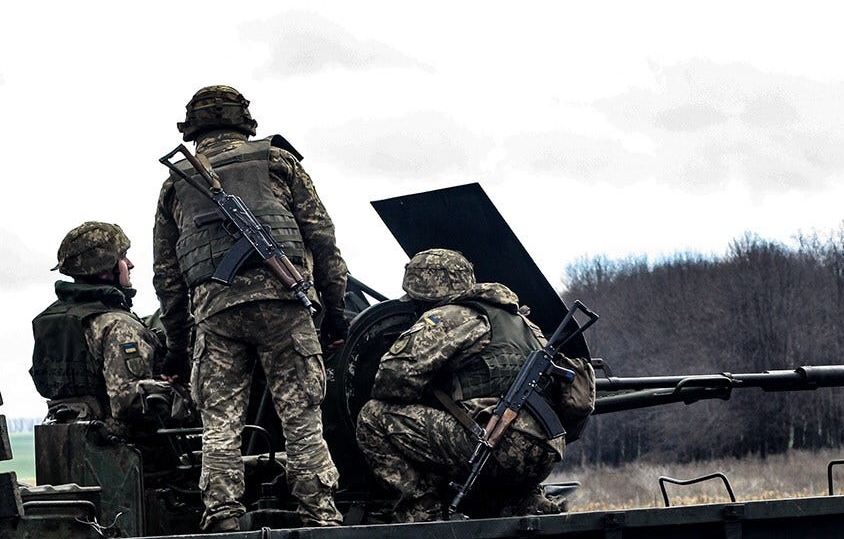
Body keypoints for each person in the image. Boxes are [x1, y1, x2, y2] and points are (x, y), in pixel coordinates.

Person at [153, 85, 348, 532]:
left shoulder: (175, 184)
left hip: (216, 313)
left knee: (219, 423)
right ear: (245, 123)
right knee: (301, 416)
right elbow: (323, 241)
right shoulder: (279, 162)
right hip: (284, 306)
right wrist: (336, 317)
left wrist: (177, 349)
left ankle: (222, 513)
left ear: (194, 130)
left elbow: (167, 276)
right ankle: (319, 514)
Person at [355, 248, 566, 522]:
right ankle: (523, 500)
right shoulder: (523, 322)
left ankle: (423, 512)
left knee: (373, 417)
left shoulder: (448, 318)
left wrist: (425, 394)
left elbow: (391, 379)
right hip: (544, 452)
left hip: (493, 444)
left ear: (424, 295)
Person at [31, 221, 177, 437]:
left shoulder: (54, 318)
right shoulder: (117, 325)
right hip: (129, 447)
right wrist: (186, 392)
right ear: (105, 270)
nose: (130, 264)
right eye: (123, 257)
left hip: (75, 441)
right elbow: (130, 401)